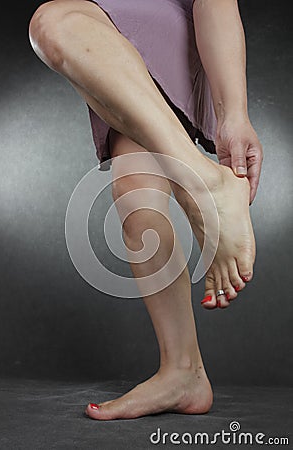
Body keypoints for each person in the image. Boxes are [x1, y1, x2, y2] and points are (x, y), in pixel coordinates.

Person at [28, 0, 263, 420]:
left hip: (158, 26)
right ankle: (183, 371)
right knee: (138, 205)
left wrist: (235, 115)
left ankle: (205, 187)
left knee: (51, 23)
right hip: (106, 38)